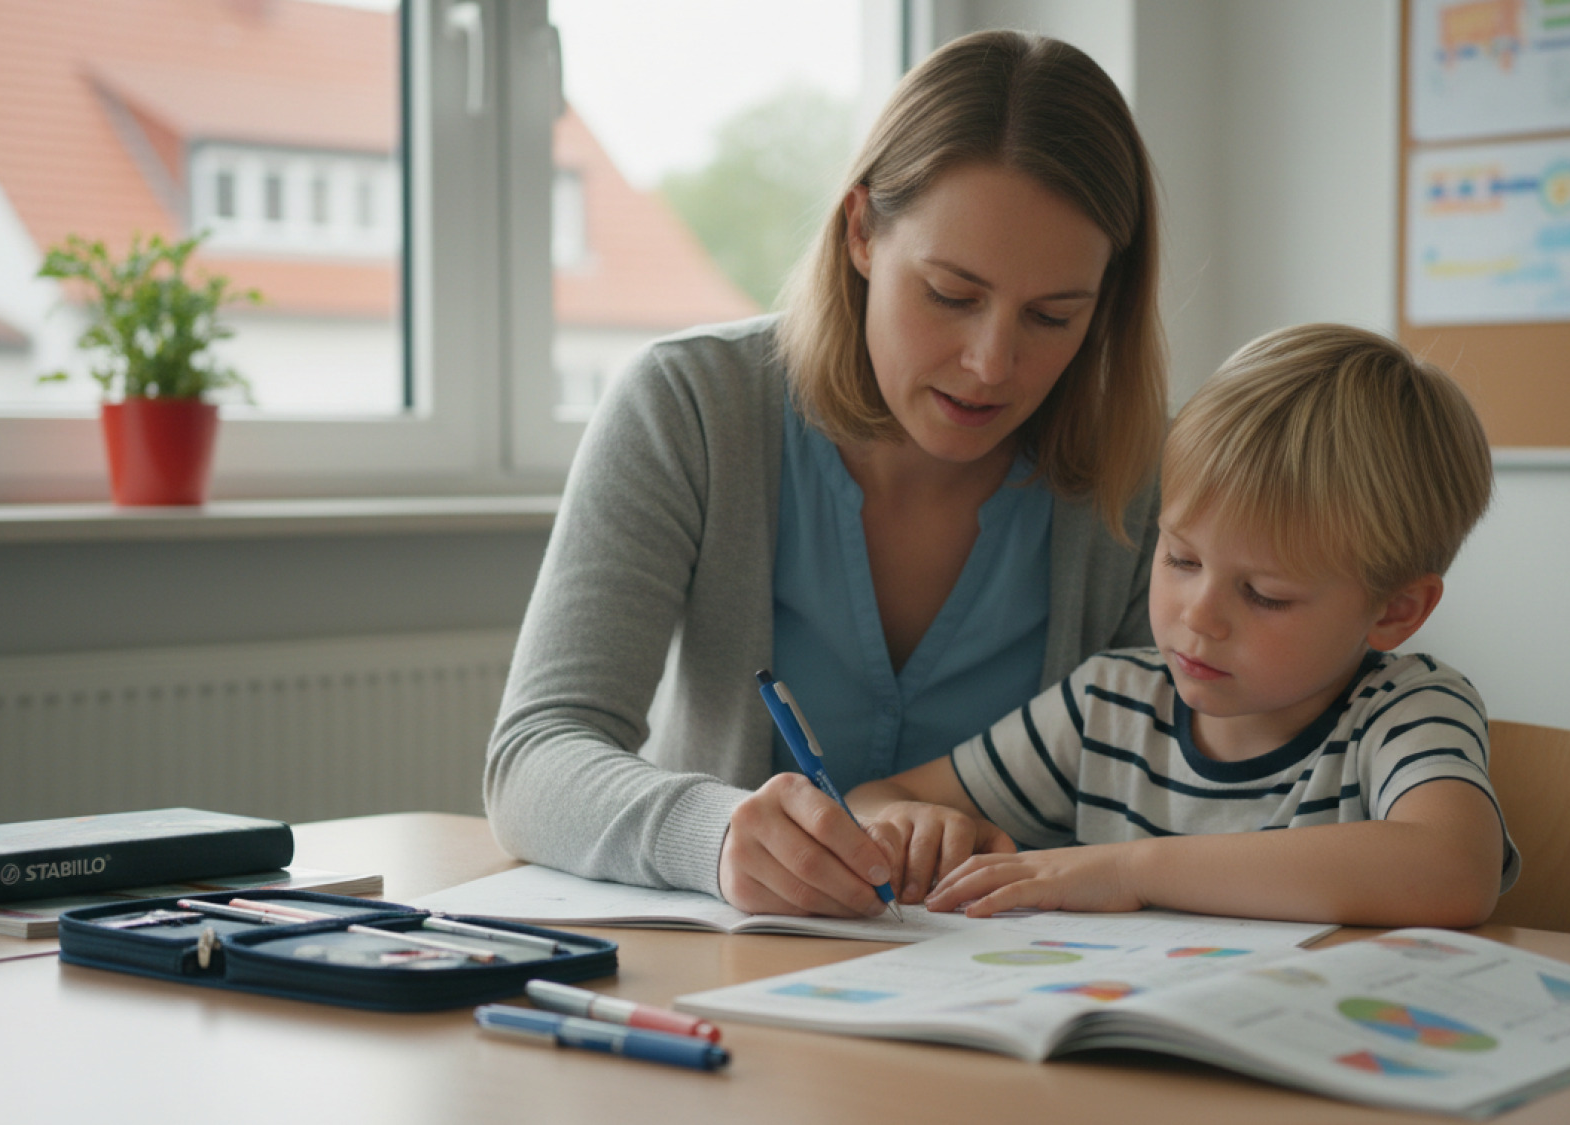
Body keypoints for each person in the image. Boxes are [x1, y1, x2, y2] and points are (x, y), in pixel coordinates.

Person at [485, 30, 1167, 918]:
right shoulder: (690, 407)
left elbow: (1172, 793)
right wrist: (718, 833)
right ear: (860, 233)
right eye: (951, 295)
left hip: (1015, 995)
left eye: (1052, 316)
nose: (992, 363)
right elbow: (535, 755)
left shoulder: (1141, 482)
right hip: (726, 989)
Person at [848, 323, 1520, 927]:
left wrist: (1129, 870)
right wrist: (906, 822)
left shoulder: (1407, 708)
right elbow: (881, 794)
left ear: (1394, 610)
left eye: (1264, 594)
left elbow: (1453, 871)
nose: (1198, 615)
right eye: (1180, 557)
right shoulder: (1110, 705)